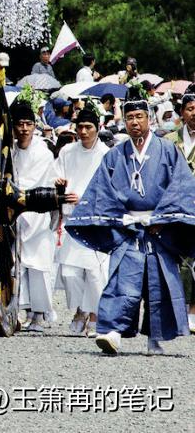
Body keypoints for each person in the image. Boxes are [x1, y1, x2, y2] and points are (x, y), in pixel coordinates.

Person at [67, 89, 195, 355]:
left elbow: (181, 187)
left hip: (159, 227)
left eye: (139, 117)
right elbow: (102, 189)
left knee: (157, 284)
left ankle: (155, 340)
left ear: (149, 119)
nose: (134, 122)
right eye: (130, 118)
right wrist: (119, 217)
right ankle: (112, 332)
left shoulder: (168, 150)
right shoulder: (115, 155)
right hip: (127, 227)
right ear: (124, 121)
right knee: (121, 281)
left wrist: (163, 218)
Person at [55, 106, 110, 336]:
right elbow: (55, 173)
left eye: (89, 127)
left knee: (95, 272)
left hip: (95, 219)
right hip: (71, 218)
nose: (84, 132)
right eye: (81, 127)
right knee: (70, 272)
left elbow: (110, 187)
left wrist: (84, 199)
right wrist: (58, 184)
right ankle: (80, 310)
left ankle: (95, 315)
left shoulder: (106, 153)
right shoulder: (67, 151)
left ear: (98, 128)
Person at [9, 101, 60, 332]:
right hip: (14, 213)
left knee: (39, 265)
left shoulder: (43, 152)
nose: (24, 129)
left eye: (29, 124)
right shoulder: (9, 151)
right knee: (18, 266)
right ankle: (25, 310)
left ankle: (39, 314)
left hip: (38, 212)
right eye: (20, 124)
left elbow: (46, 181)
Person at [162, 92, 195, 332]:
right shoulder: (169, 140)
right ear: (182, 112)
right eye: (191, 108)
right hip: (176, 205)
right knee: (180, 258)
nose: (194, 113)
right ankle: (181, 309)